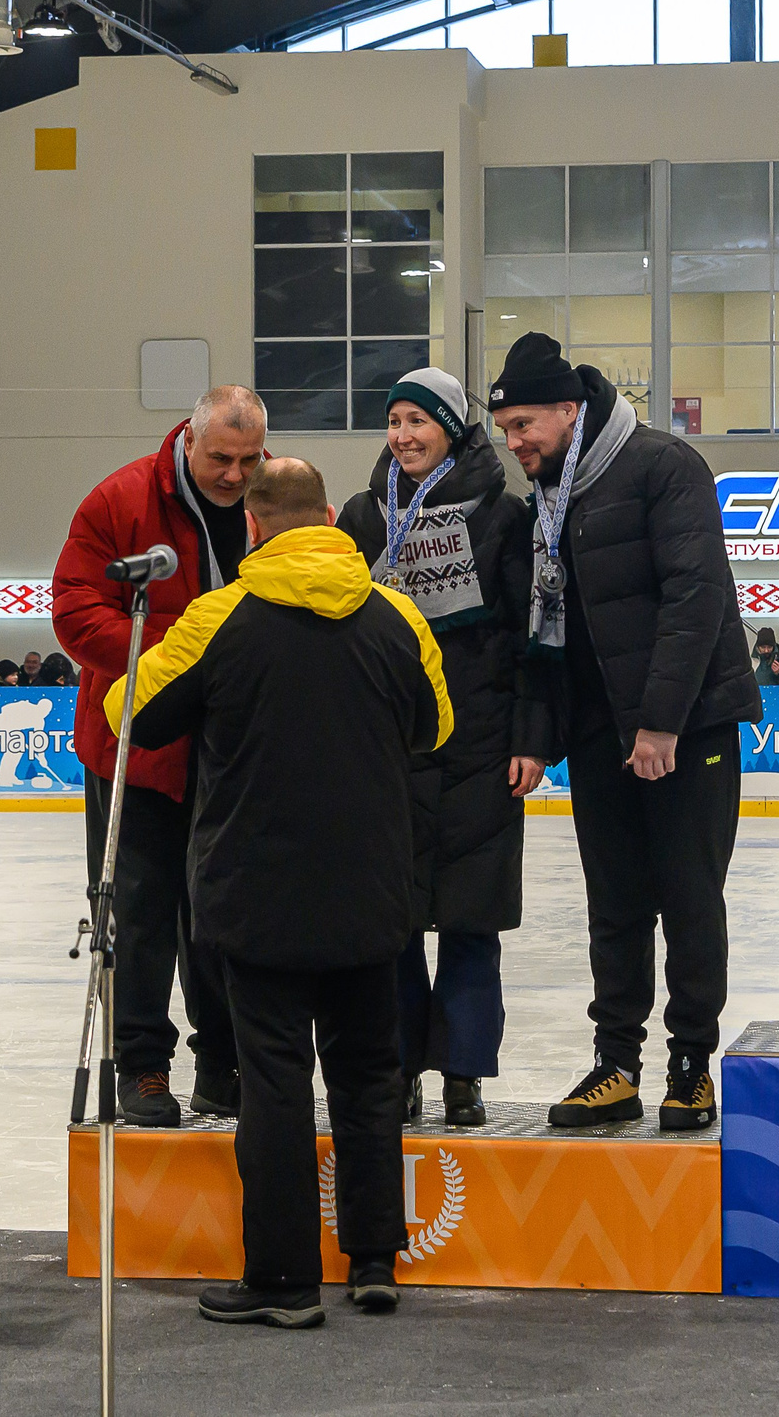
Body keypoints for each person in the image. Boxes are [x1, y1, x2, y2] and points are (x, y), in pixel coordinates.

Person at [108, 458, 450, 1327]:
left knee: (274, 1082)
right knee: (372, 1078)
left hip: (255, 900)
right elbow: (434, 725)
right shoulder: (398, 615)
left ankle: (286, 1279)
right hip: (371, 893)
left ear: (254, 526)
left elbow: (131, 713)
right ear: (331, 518)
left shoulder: (219, 616)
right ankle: (374, 1259)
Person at [487, 334, 761, 1133]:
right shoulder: (550, 498)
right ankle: (615, 1064)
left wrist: (661, 721)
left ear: (571, 410)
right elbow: (543, 633)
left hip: (688, 728)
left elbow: (695, 596)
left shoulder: (662, 468)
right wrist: (538, 735)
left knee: (687, 899)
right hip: (602, 730)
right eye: (505, 430)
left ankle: (690, 1066)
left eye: (526, 424)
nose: (515, 443)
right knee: (614, 906)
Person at [52, 386, 265, 1126]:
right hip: (135, 747)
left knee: (225, 912)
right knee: (139, 915)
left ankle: (222, 1061)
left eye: (248, 459)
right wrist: (189, 647)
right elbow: (75, 615)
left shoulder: (274, 500)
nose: (235, 475)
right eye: (222, 458)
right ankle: (140, 1067)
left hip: (231, 750)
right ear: (191, 441)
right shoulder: (119, 500)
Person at [335, 369, 530, 1128]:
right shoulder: (362, 515)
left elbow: (527, 635)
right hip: (390, 749)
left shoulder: (502, 514)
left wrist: (531, 738)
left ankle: (463, 1075)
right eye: (395, 420)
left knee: (471, 923)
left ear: (453, 426)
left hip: (480, 748)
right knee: (393, 927)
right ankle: (400, 1068)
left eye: (419, 419)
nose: (404, 434)